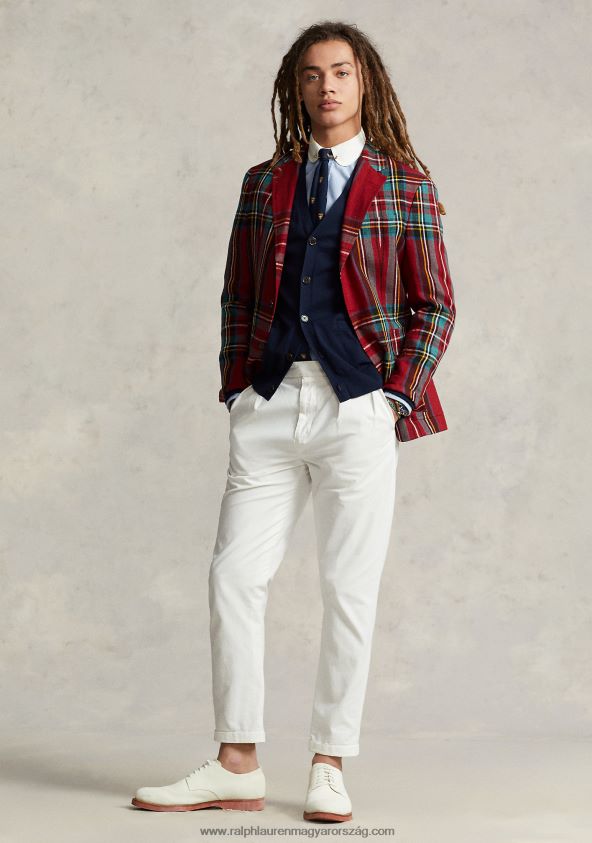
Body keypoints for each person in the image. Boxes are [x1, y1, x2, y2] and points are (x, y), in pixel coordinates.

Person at [131, 20, 456, 822]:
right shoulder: (263, 184)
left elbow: (435, 305)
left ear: (364, 82)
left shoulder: (405, 186)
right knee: (233, 575)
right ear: (296, 87)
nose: (326, 86)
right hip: (270, 401)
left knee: (348, 588)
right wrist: (239, 389)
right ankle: (236, 761)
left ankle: (328, 763)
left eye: (341, 72)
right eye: (312, 74)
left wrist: (396, 396)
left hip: (358, 407)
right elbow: (238, 293)